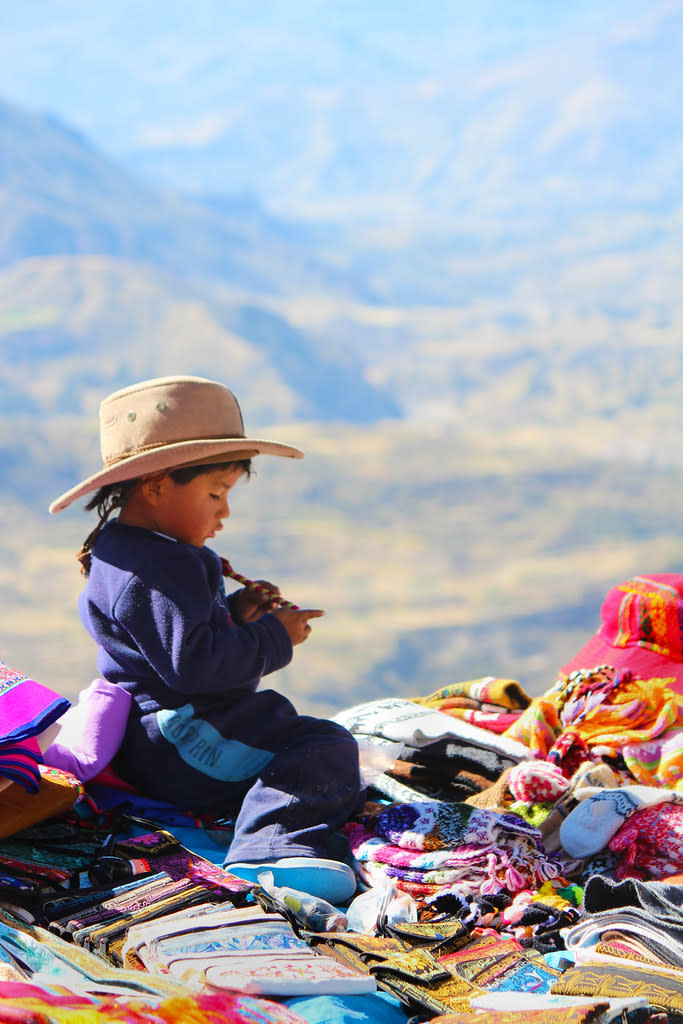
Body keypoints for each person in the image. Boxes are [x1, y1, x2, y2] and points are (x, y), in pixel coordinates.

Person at [49, 374, 362, 902]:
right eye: (215, 493)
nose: (224, 511)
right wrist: (272, 636)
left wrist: (236, 613)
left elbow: (172, 642)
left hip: (155, 741)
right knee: (323, 746)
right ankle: (268, 852)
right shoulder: (159, 567)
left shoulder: (129, 550)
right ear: (155, 486)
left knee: (289, 735)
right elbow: (195, 668)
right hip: (180, 739)